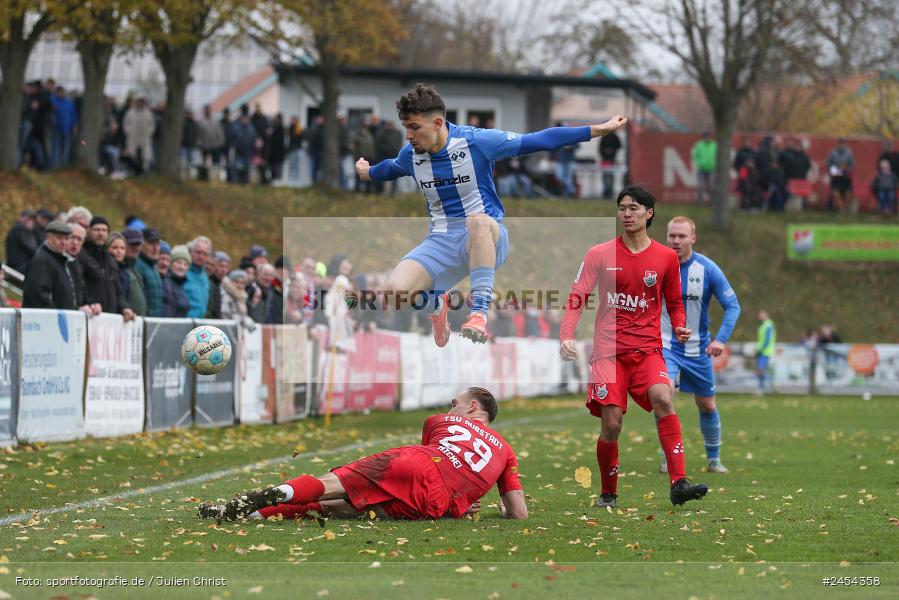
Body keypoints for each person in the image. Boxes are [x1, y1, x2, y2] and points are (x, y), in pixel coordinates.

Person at [355, 83, 627, 346]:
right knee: (393, 295)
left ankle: (479, 313)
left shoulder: (477, 141)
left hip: (487, 235)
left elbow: (538, 140)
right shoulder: (411, 154)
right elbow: (389, 168)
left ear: (437, 123)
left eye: (414, 128)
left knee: (477, 220)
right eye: (406, 128)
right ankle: (437, 304)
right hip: (440, 241)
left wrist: (597, 130)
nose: (409, 136)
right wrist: (367, 171)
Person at [559, 185, 708, 509]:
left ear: (649, 213)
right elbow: (577, 297)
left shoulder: (666, 257)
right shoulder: (599, 254)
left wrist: (680, 324)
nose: (627, 213)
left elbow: (674, 302)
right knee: (611, 424)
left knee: (663, 397)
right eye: (622, 208)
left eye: (634, 208)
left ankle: (678, 482)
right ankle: (608, 493)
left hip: (647, 350)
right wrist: (567, 333)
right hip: (609, 354)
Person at [198, 387, 527, 522]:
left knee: (334, 483)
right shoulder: (507, 452)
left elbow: (433, 456)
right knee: (345, 508)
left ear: (471, 407)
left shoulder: (440, 421)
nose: (450, 407)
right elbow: (519, 514)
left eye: (455, 402)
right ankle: (253, 515)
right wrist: (474, 505)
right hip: (435, 506)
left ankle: (276, 492)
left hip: (417, 464)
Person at [659, 216, 741, 474]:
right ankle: (668, 456)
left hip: (698, 349)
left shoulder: (707, 268)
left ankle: (713, 459)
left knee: (706, 404)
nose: (676, 241)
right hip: (665, 346)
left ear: (693, 238)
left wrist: (721, 339)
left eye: (682, 236)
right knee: (663, 395)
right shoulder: (656, 266)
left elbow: (732, 306)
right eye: (672, 235)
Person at [79, 216, 133, 319]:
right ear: (88, 231)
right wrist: (89, 302)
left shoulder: (110, 260)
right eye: (97, 229)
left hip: (109, 321)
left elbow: (118, 291)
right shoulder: (81, 255)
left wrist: (125, 307)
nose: (101, 233)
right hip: (91, 316)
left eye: (104, 230)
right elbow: (80, 287)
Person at [22, 221, 78, 310]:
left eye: (66, 238)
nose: (63, 242)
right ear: (48, 238)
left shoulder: (63, 261)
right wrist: (56, 315)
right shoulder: (41, 261)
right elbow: (38, 295)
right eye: (59, 238)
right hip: (48, 320)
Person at [136, 228, 164, 317]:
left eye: (158, 243)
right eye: (151, 243)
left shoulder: (153, 267)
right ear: (142, 244)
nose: (156, 248)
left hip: (154, 322)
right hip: (144, 322)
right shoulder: (137, 266)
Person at [121, 229, 148, 316]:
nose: (135, 248)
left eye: (138, 244)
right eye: (132, 244)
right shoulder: (119, 268)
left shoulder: (134, 268)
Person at [50, 86, 77, 169]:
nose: (60, 94)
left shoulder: (69, 103)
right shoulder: (52, 101)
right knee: (56, 147)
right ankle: (54, 166)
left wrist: (74, 125)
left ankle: (63, 166)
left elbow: (73, 115)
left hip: (67, 129)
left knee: (65, 148)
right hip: (56, 128)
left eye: (61, 92)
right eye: (59, 92)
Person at [184, 236, 211, 318]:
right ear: (190, 252)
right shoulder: (182, 273)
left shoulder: (205, 277)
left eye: (205, 254)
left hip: (200, 326)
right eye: (198, 252)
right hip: (184, 324)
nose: (201, 256)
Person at [163, 245, 191, 318]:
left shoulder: (181, 285)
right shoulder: (166, 283)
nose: (182, 267)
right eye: (178, 262)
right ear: (171, 263)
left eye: (185, 264)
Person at [827, 139, 854, 212]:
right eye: (840, 143)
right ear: (837, 144)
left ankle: (845, 210)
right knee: (836, 195)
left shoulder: (849, 153)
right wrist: (839, 171)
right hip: (836, 179)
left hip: (846, 180)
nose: (841, 145)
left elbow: (851, 167)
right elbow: (829, 167)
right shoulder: (833, 153)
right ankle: (838, 209)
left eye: (843, 143)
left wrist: (845, 169)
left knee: (848, 195)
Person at [691, 132, 716, 205]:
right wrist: (699, 163)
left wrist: (714, 164)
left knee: (711, 186)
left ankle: (712, 202)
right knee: (700, 186)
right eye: (705, 137)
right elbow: (695, 156)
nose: (706, 138)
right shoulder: (699, 145)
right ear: (703, 137)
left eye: (707, 137)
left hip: (711, 169)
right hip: (701, 169)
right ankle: (700, 202)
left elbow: (717, 156)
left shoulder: (714, 145)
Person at [755, 309, 776, 395]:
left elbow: (767, 339)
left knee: (761, 369)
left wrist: (761, 349)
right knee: (762, 370)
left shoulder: (768, 325)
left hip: (765, 351)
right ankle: (769, 386)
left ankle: (762, 387)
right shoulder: (763, 325)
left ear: (766, 315)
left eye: (762, 314)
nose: (760, 316)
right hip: (762, 351)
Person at [598, 129, 622, 199]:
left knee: (610, 176)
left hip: (612, 159)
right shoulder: (604, 137)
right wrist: (605, 151)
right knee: (605, 175)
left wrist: (612, 151)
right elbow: (600, 148)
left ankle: (609, 192)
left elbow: (619, 146)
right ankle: (606, 191)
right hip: (605, 159)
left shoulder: (614, 137)